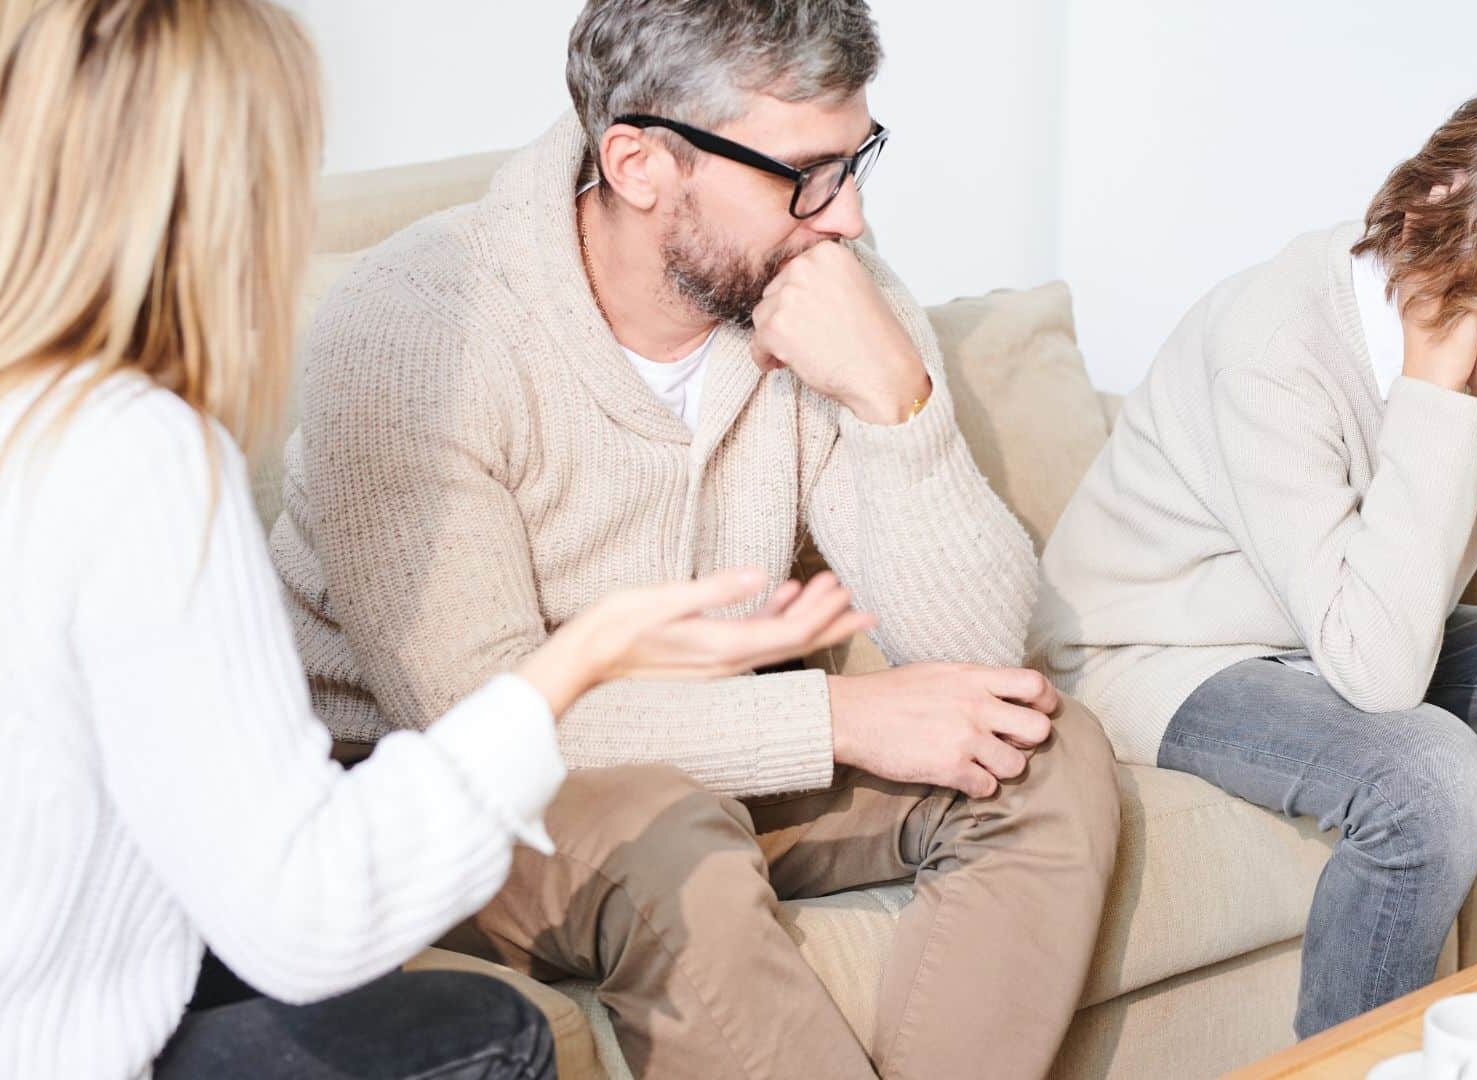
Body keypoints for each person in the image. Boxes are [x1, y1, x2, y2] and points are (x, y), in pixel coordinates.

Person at [0, 2, 867, 1076]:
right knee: (483, 1035)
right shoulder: (139, 453)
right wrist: (582, 657)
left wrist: (900, 406)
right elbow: (310, 921)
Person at [271, 0, 1122, 1075]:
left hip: (715, 747)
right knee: (669, 833)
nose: (847, 216)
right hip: (436, 795)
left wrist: (895, 399)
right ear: (635, 163)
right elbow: (475, 720)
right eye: (805, 173)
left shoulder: (816, 287)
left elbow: (987, 653)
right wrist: (836, 715)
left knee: (1040, 750)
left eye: (857, 160)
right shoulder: (420, 326)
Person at [1031, 75, 1477, 1037]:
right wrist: (1436, 395)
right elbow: (1383, 676)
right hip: (1164, 653)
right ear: (1444, 268)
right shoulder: (1271, 347)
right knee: (1427, 774)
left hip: (1355, 630)